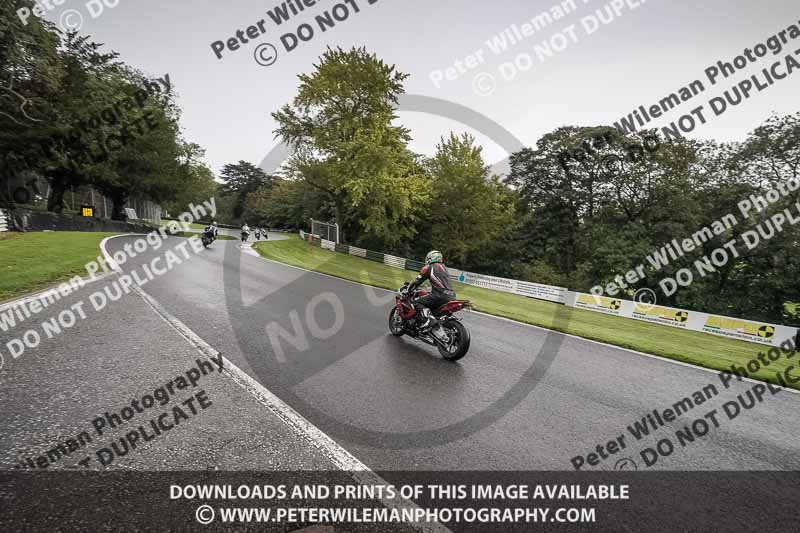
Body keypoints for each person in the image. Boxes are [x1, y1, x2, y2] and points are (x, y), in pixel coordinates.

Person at [405, 250, 455, 339]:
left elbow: (417, 281)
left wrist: (408, 289)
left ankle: (429, 320)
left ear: (431, 258)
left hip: (439, 295)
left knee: (416, 302)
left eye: (428, 258)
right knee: (433, 305)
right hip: (451, 296)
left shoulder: (429, 267)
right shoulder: (444, 268)